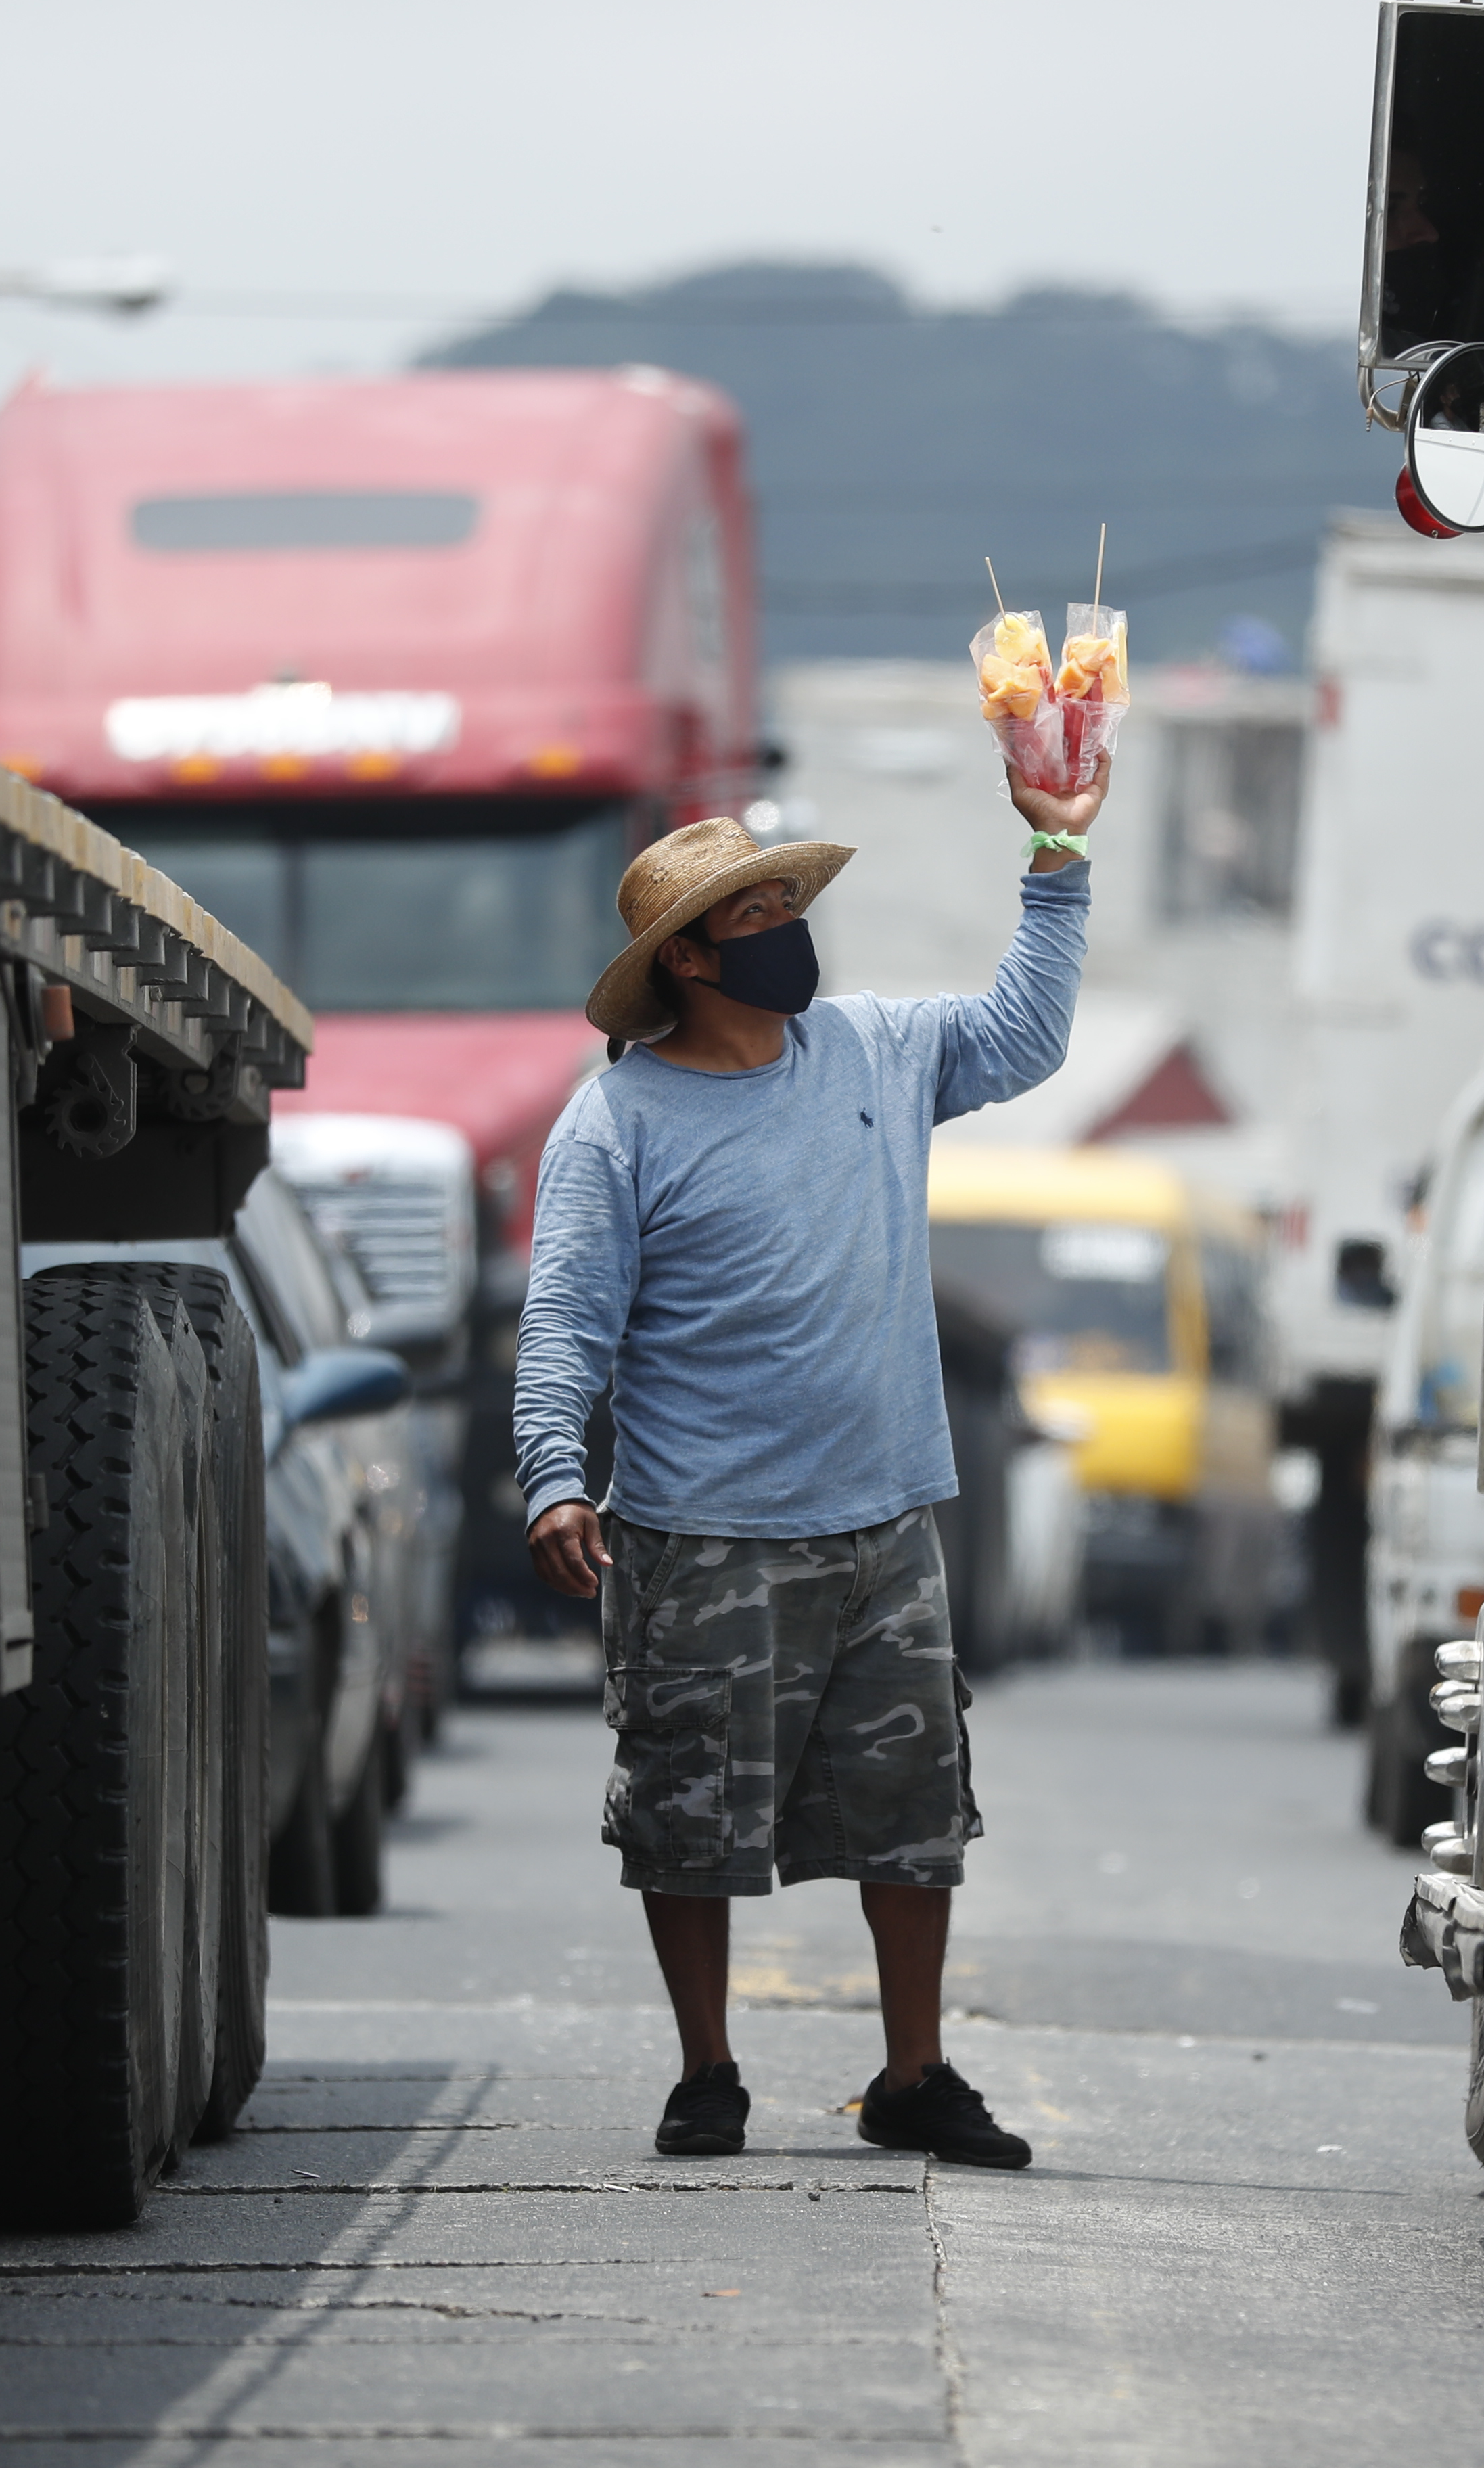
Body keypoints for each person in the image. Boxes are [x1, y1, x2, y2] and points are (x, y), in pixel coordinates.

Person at [513, 762, 1108, 2168]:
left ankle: (914, 2074)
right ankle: (708, 2070)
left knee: (915, 1820)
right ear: (692, 958)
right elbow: (567, 1319)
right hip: (700, 1536)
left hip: (884, 1527)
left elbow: (1026, 1030)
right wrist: (552, 1472)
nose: (790, 923)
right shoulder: (617, 1124)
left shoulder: (879, 1051)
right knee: (685, 1817)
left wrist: (1057, 853)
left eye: (789, 898)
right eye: (759, 910)